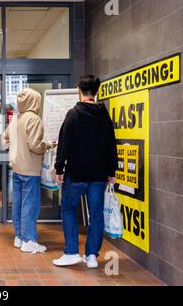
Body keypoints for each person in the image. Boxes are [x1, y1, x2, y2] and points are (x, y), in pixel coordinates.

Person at [52, 75, 118, 269]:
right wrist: (111, 171)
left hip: (77, 173)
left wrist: (59, 168)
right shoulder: (104, 116)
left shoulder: (73, 114)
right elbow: (111, 145)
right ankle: (91, 256)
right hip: (98, 176)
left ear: (79, 90)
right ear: (96, 92)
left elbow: (64, 143)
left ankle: (72, 252)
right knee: (96, 214)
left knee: (68, 208)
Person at [2, 88, 53, 254]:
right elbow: (35, 145)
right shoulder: (34, 119)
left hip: (16, 167)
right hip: (30, 169)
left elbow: (4, 140)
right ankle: (29, 240)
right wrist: (49, 145)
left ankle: (19, 237)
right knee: (29, 205)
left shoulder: (16, 119)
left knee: (18, 203)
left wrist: (15, 147)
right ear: (34, 101)